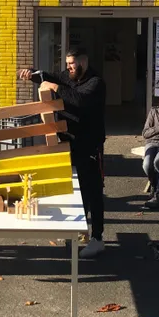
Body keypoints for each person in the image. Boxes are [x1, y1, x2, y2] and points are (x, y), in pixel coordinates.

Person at [18, 47, 107, 258]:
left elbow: (79, 100)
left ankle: (98, 238)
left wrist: (55, 86)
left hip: (90, 145)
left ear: (83, 63)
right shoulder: (68, 76)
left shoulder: (96, 83)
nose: (68, 68)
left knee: (93, 190)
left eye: (72, 64)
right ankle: (79, 231)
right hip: (69, 141)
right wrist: (31, 73)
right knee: (76, 189)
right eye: (67, 64)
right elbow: (48, 76)